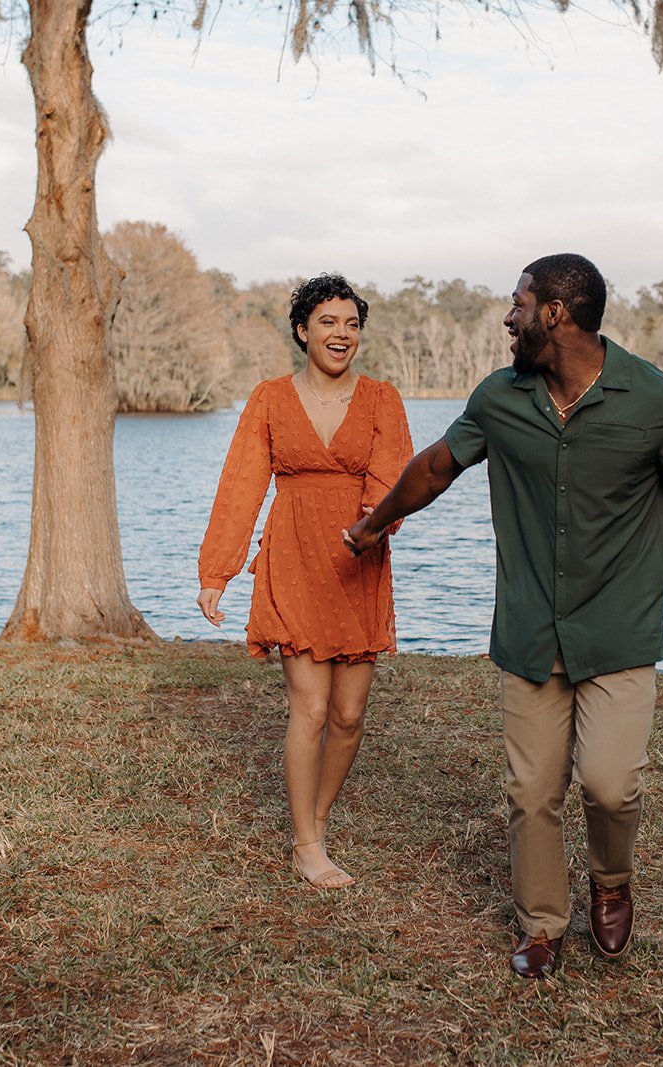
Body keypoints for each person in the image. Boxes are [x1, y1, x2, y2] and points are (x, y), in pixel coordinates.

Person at [345, 253, 663, 976]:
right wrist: (376, 524)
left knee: (610, 782)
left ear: (556, 313)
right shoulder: (500, 398)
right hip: (530, 626)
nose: (509, 316)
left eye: (519, 303)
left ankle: (613, 878)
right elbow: (438, 465)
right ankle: (541, 925)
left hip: (617, 629)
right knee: (531, 791)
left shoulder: (654, 399)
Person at [198, 273, 413, 889]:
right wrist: (219, 571)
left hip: (357, 558)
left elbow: (394, 476)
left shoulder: (382, 400)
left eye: (351, 324)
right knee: (311, 707)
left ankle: (317, 817)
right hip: (291, 555)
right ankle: (307, 843)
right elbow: (241, 484)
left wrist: (368, 529)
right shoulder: (269, 398)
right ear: (303, 330)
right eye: (328, 322)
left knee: (349, 713)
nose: (341, 334)